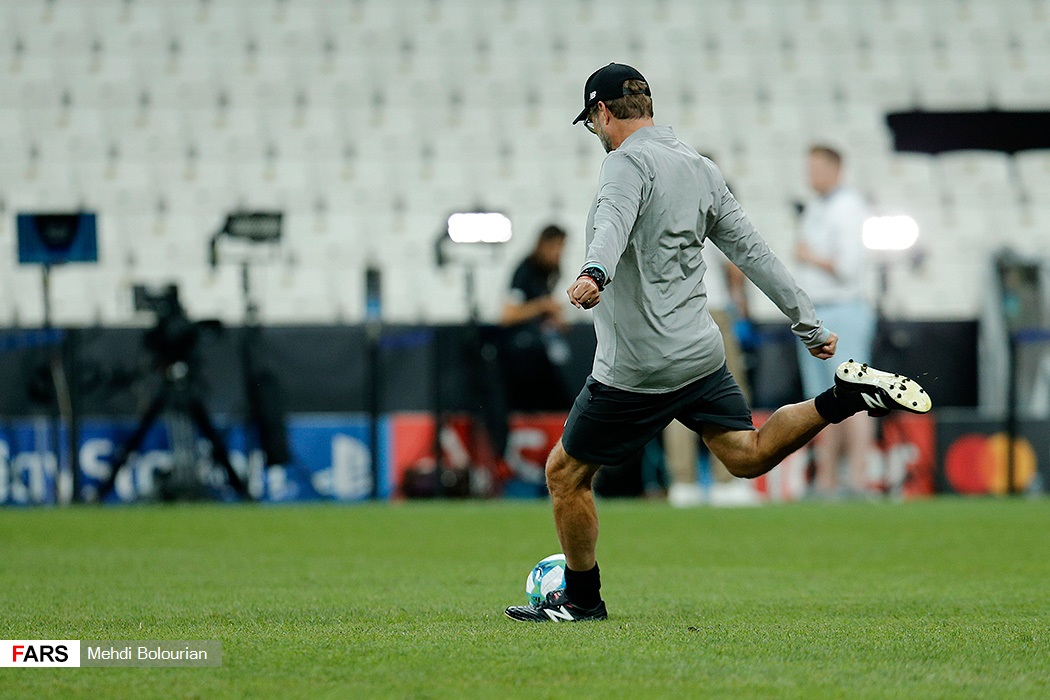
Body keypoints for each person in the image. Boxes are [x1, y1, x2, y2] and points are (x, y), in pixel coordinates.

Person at [504, 63, 931, 623]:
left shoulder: (624, 163)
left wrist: (593, 272)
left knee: (565, 475)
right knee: (746, 455)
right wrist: (808, 322)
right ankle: (842, 398)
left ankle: (582, 600)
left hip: (637, 366)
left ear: (602, 112)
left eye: (591, 121)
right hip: (701, 355)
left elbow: (612, 221)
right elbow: (753, 252)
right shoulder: (701, 168)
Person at [794, 145, 877, 498]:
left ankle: (857, 479)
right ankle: (826, 480)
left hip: (843, 309)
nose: (810, 175)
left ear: (836, 169)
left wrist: (808, 256)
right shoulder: (816, 206)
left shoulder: (848, 207)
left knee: (854, 394)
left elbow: (847, 267)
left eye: (817, 168)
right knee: (821, 401)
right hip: (815, 312)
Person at [499, 224, 573, 411]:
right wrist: (542, 306)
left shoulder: (549, 273)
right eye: (554, 247)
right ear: (542, 245)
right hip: (522, 354)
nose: (558, 253)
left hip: (540, 349)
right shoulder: (525, 272)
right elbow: (508, 315)